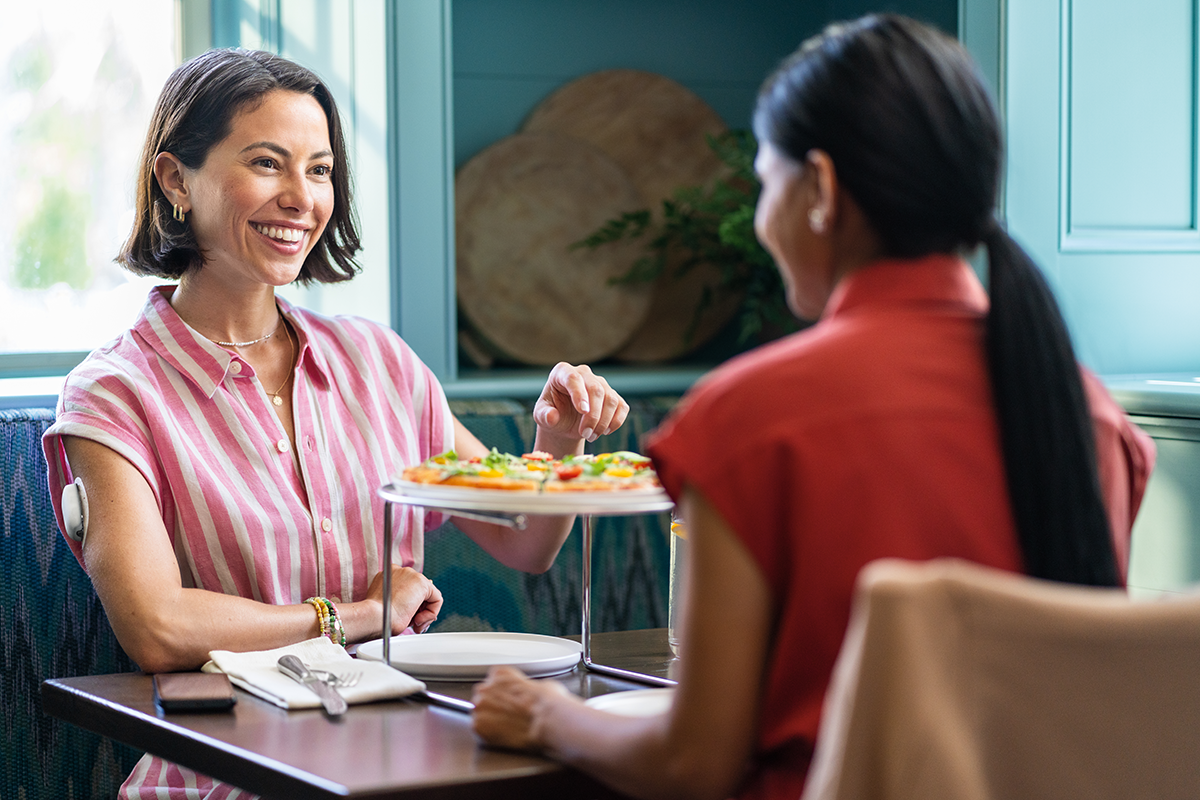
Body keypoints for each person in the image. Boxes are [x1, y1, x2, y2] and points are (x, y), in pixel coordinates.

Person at [469, 15, 1156, 800]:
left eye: (766, 184)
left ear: (821, 190)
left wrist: (548, 715)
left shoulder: (750, 419)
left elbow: (694, 761)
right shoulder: (1093, 417)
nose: (763, 221)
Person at [42, 48, 630, 799]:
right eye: (267, 163)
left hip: (403, 754)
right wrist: (357, 616)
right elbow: (157, 628)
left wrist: (558, 436)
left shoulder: (378, 361)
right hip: (227, 769)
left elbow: (527, 542)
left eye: (319, 171)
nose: (301, 198)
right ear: (173, 179)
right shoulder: (115, 393)